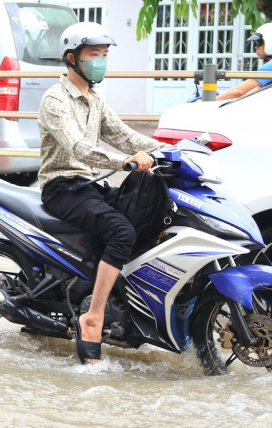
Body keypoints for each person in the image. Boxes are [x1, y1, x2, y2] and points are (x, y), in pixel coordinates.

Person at [38, 22, 163, 364]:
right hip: (62, 186)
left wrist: (176, 148)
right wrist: (125, 161)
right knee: (122, 231)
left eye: (104, 55)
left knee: (143, 222)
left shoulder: (94, 99)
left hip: (91, 185)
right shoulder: (56, 99)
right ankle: (92, 317)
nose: (101, 62)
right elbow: (77, 147)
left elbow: (125, 136)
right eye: (94, 55)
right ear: (72, 59)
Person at [215, 23, 272, 101]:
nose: (256, 47)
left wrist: (210, 100)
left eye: (259, 43)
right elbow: (253, 91)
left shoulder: (270, 66)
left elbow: (239, 91)